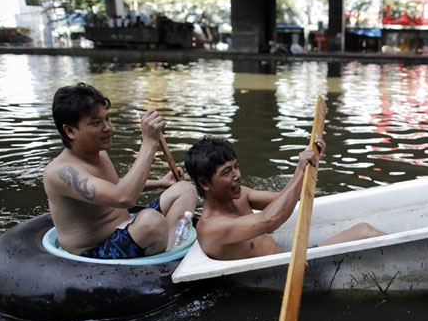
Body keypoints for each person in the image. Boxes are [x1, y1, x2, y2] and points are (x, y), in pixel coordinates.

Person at [43, 83, 197, 258]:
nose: (107, 127)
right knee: (151, 221)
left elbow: (114, 187)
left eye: (107, 119)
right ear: (70, 130)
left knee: (185, 189)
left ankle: (169, 250)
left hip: (126, 226)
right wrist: (149, 143)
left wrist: (161, 183)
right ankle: (164, 249)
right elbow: (124, 198)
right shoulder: (61, 172)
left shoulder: (99, 152)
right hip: (96, 249)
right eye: (96, 123)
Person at [184, 136, 385, 260]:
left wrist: (310, 164)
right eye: (227, 172)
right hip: (284, 277)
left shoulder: (241, 195)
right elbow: (271, 220)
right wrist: (299, 171)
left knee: (364, 229)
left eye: (236, 166)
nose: (237, 175)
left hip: (292, 261)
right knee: (365, 232)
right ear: (204, 183)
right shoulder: (210, 228)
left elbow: (286, 200)